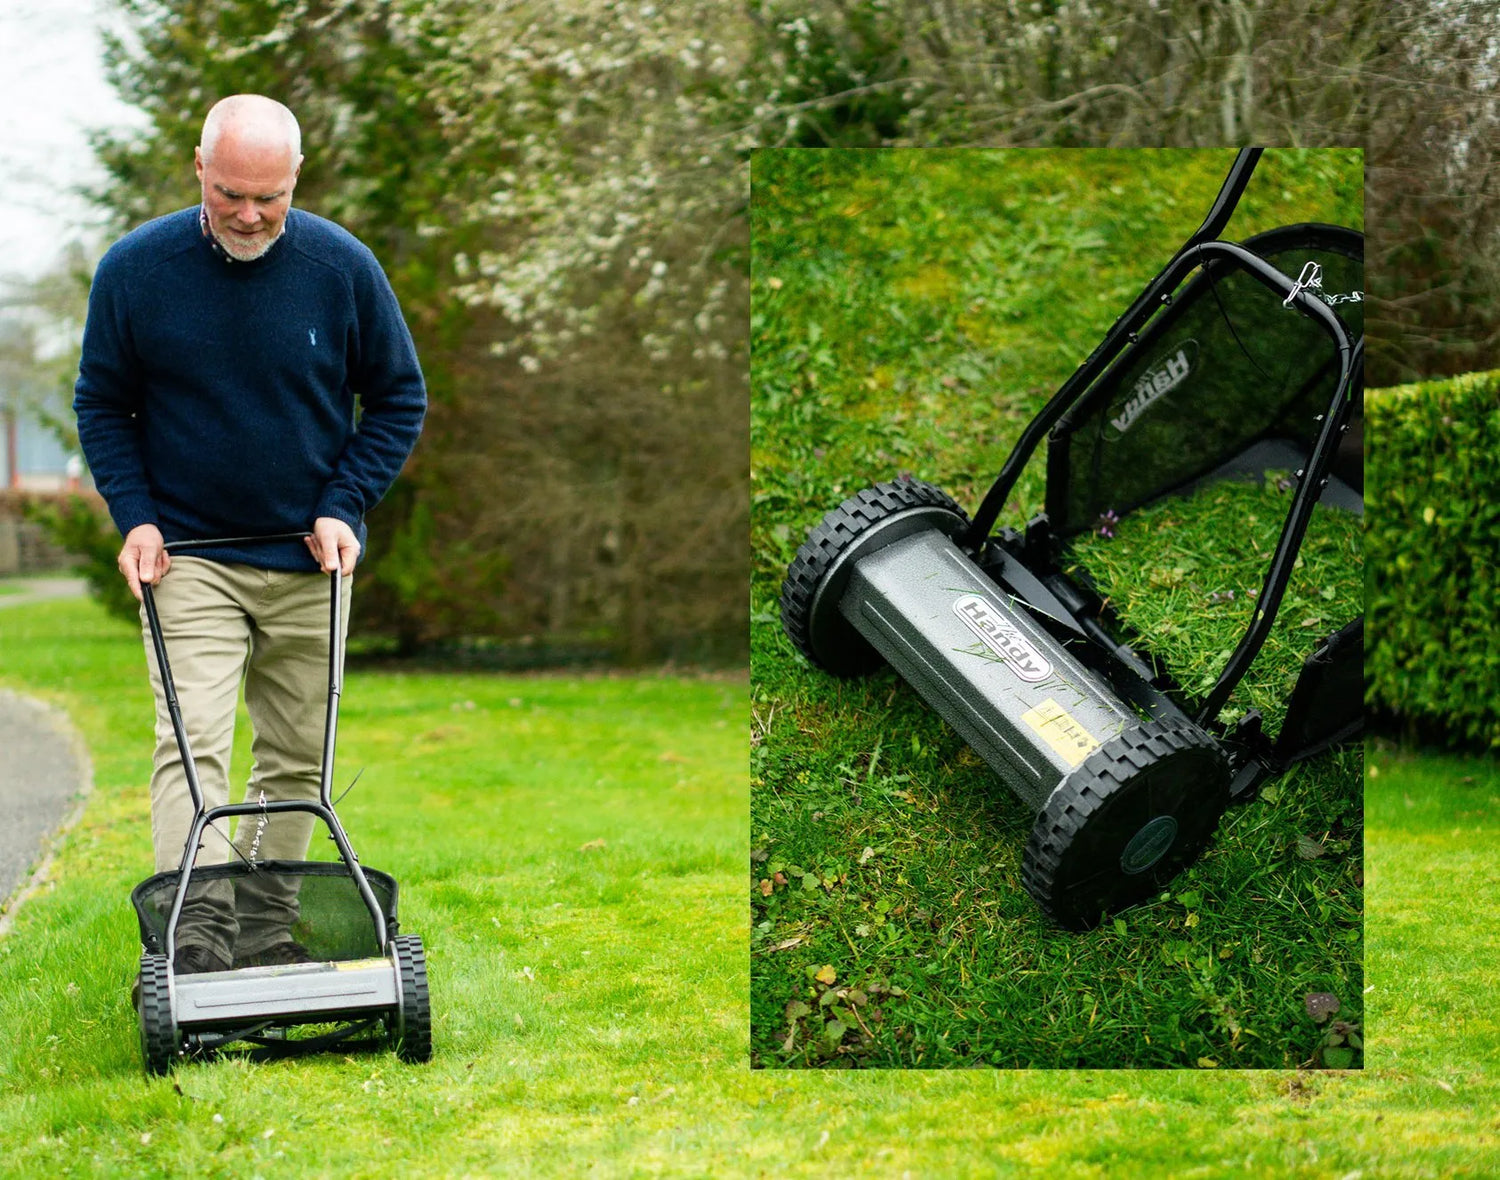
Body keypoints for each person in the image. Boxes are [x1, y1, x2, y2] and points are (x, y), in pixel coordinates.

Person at [74, 94, 426, 974]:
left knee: (297, 757)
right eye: (231, 191)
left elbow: (397, 398)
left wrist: (344, 505)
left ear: (295, 179)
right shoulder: (136, 269)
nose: (248, 213)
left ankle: (269, 933)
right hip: (188, 558)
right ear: (199, 168)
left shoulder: (341, 268)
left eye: (267, 196)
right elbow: (101, 403)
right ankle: (193, 946)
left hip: (310, 562)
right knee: (190, 749)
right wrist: (137, 518)